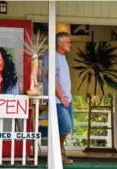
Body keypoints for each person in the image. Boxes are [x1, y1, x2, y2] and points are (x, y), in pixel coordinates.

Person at [41, 32, 73, 164]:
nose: (70, 44)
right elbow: (52, 78)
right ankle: (59, 153)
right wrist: (61, 97)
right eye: (67, 42)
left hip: (66, 98)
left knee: (67, 127)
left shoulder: (62, 56)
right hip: (59, 100)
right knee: (65, 126)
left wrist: (67, 97)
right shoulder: (51, 56)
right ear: (59, 43)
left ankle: (60, 152)